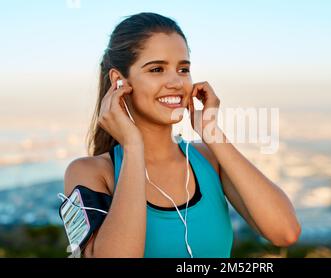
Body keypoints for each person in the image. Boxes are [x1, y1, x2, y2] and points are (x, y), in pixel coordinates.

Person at [64, 12, 301, 258]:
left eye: (183, 69)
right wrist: (133, 147)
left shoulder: (209, 159)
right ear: (119, 81)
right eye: (157, 69)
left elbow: (285, 231)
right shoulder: (90, 172)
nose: (176, 82)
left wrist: (212, 132)